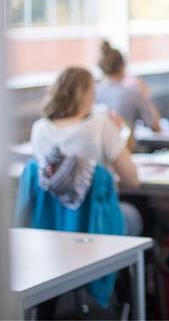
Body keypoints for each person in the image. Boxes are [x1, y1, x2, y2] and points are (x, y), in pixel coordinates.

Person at [30, 66, 142, 236]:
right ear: (87, 95)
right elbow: (132, 180)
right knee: (134, 214)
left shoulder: (38, 129)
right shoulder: (100, 124)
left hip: (53, 226)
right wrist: (121, 133)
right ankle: (143, 261)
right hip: (95, 224)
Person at [95, 41, 162, 132]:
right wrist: (145, 96)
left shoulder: (94, 92)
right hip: (126, 145)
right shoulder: (132, 93)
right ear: (123, 66)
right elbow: (156, 126)